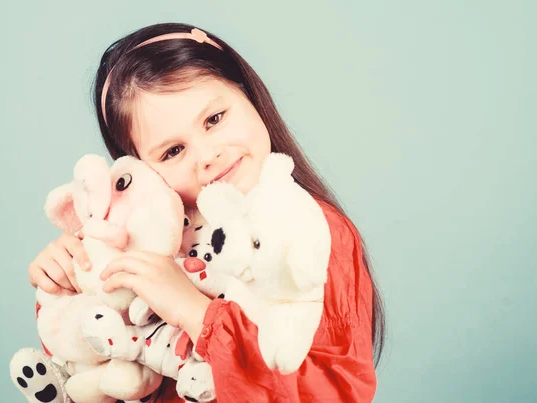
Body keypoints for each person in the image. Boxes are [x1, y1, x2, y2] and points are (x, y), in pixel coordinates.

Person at [28, 22, 385, 402]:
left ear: (247, 93)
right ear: (140, 168)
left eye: (214, 119)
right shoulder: (145, 245)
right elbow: (105, 363)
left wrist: (196, 312)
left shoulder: (312, 233)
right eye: (173, 151)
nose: (209, 156)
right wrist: (69, 282)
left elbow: (335, 393)